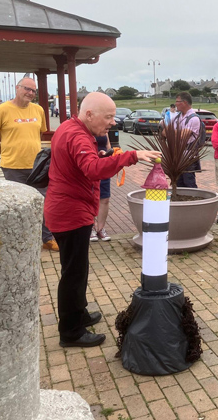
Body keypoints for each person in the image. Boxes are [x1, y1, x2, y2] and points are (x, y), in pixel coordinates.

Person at [45, 92, 159, 348]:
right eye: (108, 117)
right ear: (89, 114)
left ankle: (79, 313)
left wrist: (109, 157)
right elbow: (92, 169)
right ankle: (71, 332)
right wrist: (131, 157)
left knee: (77, 269)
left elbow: (89, 164)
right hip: (70, 213)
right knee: (73, 273)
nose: (112, 122)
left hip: (70, 209)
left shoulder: (73, 128)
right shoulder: (77, 135)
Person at [0, 77, 59, 251]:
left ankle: (46, 238)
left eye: (33, 91)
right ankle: (20, 241)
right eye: (27, 89)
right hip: (13, 167)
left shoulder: (38, 110)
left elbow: (39, 134)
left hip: (37, 167)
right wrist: (4, 152)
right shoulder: (2, 110)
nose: (30, 93)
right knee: (18, 205)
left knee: (44, 202)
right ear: (17, 88)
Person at [174, 92, 202, 188]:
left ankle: (195, 202)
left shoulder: (194, 119)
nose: (175, 104)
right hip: (178, 155)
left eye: (177, 101)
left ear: (184, 102)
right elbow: (165, 132)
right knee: (178, 182)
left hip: (188, 155)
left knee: (189, 182)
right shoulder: (178, 117)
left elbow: (182, 136)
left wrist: (173, 132)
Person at [91, 134, 113, 242]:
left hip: (104, 165)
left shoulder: (104, 128)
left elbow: (108, 145)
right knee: (90, 197)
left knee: (104, 198)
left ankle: (100, 228)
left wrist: (110, 155)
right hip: (91, 165)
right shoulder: (86, 128)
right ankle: (90, 228)